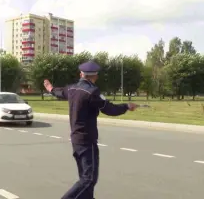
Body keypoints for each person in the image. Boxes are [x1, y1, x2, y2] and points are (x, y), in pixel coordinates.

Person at [43, 61, 138, 199]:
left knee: (85, 179)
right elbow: (110, 109)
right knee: (89, 179)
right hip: (87, 140)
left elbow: (59, 92)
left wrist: (50, 88)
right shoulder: (92, 92)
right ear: (95, 76)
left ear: (81, 74)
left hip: (76, 139)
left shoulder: (71, 89)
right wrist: (126, 106)